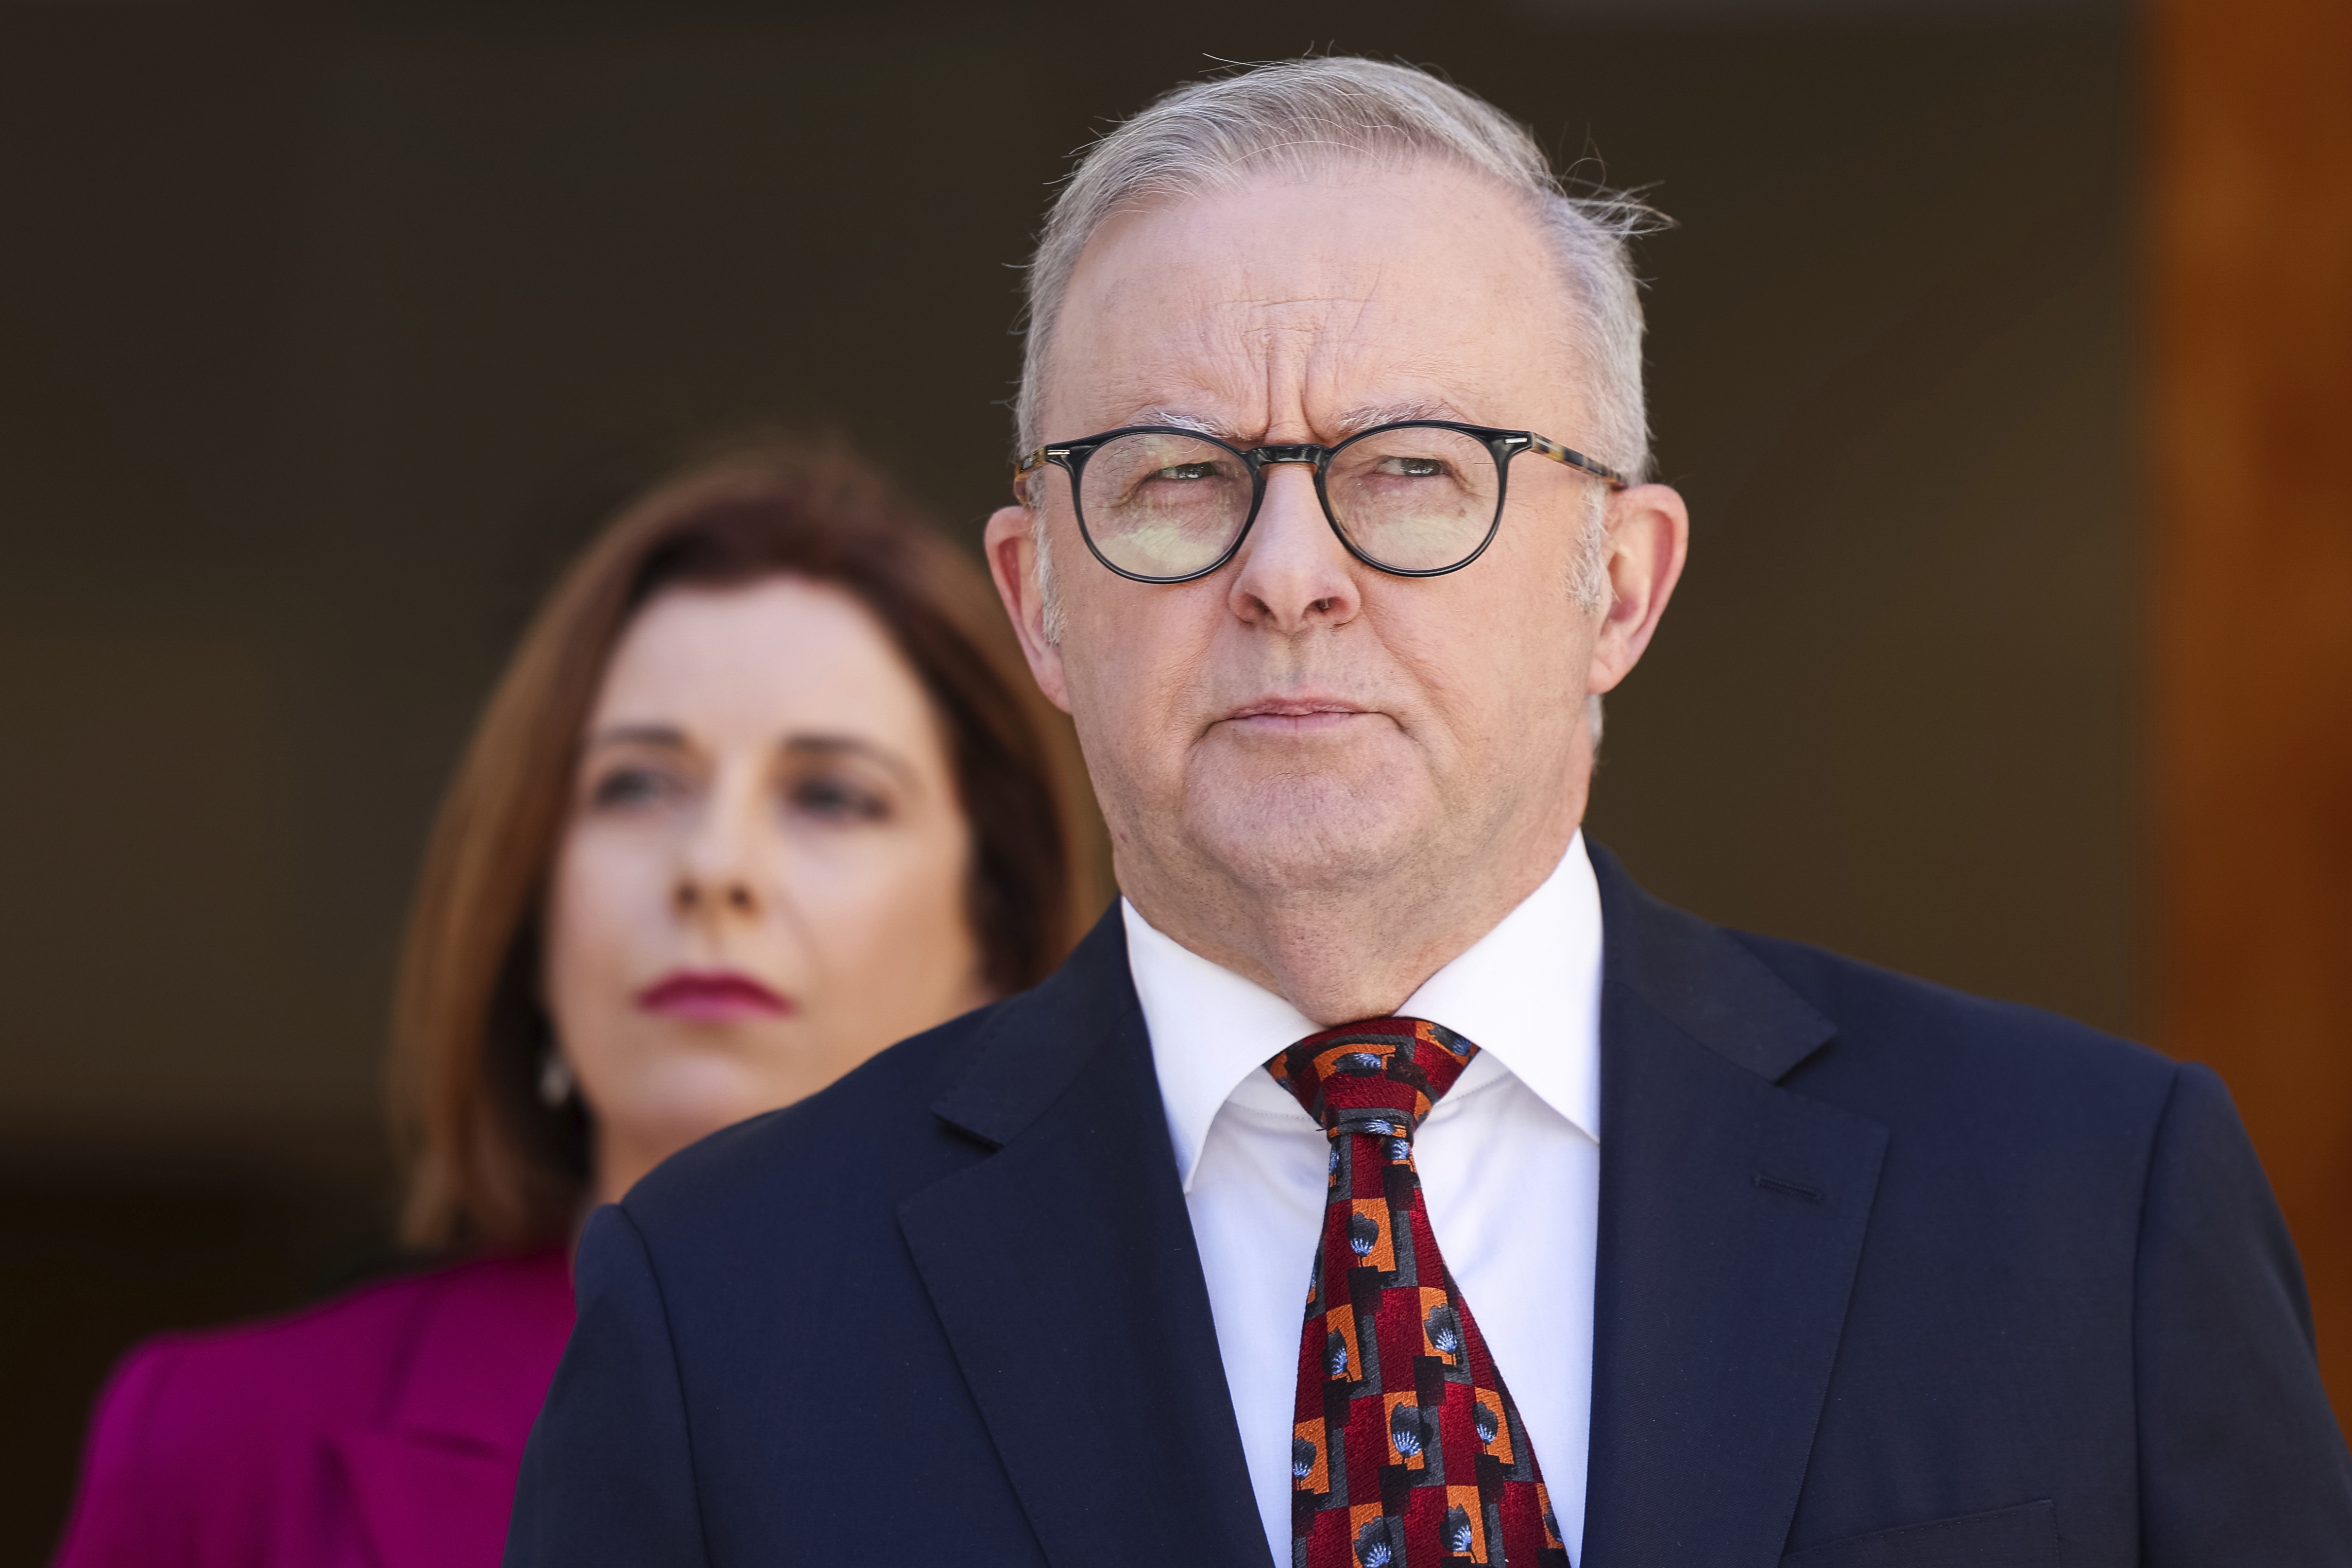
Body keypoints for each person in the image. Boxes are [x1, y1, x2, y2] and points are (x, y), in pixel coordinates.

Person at [507, 60, 2352, 1568]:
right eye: (1171, 480)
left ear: (1617, 582)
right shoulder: (723, 1305)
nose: (1289, 571)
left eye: (1411, 471)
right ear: (1039, 598)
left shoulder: (2086, 1202)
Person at [51, 437, 1098, 1568]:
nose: (714, 866)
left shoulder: (1165, 1429)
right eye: (637, 784)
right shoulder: (215, 1448)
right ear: (534, 907)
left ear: (995, 940)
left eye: (832, 796)